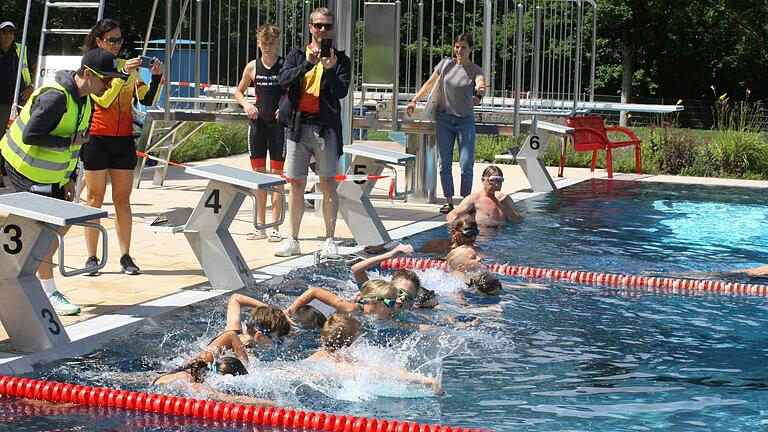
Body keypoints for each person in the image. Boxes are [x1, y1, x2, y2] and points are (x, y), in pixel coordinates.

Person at [0, 48, 127, 315]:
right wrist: (67, 142)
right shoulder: (56, 97)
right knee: (43, 231)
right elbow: (31, 135)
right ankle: (48, 293)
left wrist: (68, 179)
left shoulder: (85, 100)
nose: (109, 85)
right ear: (89, 74)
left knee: (52, 229)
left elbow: (75, 145)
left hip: (51, 174)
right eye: (106, 79)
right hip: (23, 168)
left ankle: (32, 274)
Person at [80, 19, 163, 276]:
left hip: (123, 139)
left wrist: (157, 76)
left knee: (122, 200)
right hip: (97, 137)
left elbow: (146, 99)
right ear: (99, 41)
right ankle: (91, 257)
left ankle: (126, 256)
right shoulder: (91, 66)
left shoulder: (126, 67)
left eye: (119, 41)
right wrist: (122, 77)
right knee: (94, 199)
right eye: (111, 40)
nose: (116, 45)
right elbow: (103, 100)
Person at [275, 7, 351, 258]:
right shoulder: (298, 55)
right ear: (310, 28)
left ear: (333, 29)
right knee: (296, 183)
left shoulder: (341, 60)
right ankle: (292, 238)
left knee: (328, 182)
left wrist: (329, 68)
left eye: (327, 26)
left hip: (325, 128)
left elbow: (341, 92)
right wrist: (309, 63)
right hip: (298, 126)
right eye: (318, 25)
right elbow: (283, 80)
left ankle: (330, 239)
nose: (322, 30)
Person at [406, 33, 486, 214]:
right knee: (445, 163)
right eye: (457, 46)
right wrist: (414, 100)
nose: (459, 50)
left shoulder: (475, 70)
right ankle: (449, 201)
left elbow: (481, 85)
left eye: (464, 47)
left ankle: (465, 202)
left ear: (471, 49)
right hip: (444, 119)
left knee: (466, 163)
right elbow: (429, 83)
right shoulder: (445, 65)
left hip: (465, 120)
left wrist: (478, 96)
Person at [233, 23, 286, 242]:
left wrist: (284, 108)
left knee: (276, 179)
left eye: (271, 44)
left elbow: (295, 93)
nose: (267, 48)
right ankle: (259, 226)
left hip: (278, 129)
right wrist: (245, 104)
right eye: (264, 44)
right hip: (257, 126)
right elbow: (238, 91)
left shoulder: (285, 66)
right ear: (258, 43)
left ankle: (275, 228)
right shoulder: (252, 67)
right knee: (258, 176)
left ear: (278, 43)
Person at [307, 313, 442, 394]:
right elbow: (382, 373)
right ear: (350, 340)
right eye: (357, 339)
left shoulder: (317, 356)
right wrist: (422, 379)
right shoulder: (340, 365)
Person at [152, 329, 276, 405]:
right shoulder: (188, 380)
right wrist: (274, 404)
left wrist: (248, 369)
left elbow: (231, 335)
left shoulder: (201, 364)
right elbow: (228, 398)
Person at [0, 21, 34, 188]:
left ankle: (16, 172)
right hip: (1, 103)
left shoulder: (21, 49)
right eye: (4, 32)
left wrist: (31, 86)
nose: (8, 35)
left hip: (19, 102)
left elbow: (35, 66)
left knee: (20, 137)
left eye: (11, 32)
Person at [447, 165, 522, 227]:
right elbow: (451, 215)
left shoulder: (506, 199)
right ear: (483, 180)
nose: (497, 183)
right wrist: (465, 228)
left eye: (499, 180)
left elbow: (518, 220)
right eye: (492, 180)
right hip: (483, 237)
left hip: (504, 237)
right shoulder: (474, 199)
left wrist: (506, 208)